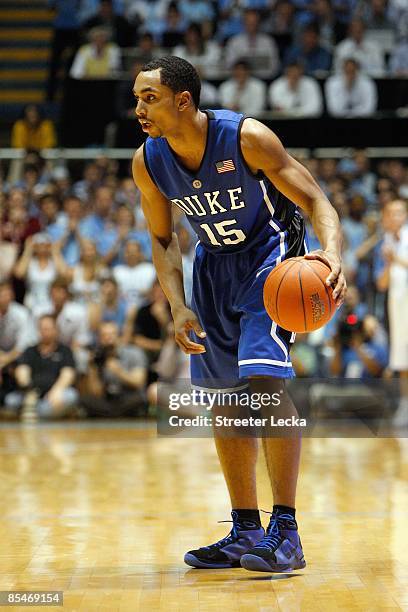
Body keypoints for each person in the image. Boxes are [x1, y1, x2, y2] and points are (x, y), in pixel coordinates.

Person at [132, 56, 346, 572]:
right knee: (225, 399)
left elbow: (316, 200)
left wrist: (333, 253)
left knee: (262, 386)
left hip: (270, 262)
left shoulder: (247, 138)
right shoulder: (147, 161)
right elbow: (163, 239)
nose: (138, 107)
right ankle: (244, 528)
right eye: (136, 97)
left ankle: (287, 532)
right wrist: (178, 304)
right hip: (211, 268)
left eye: (149, 97)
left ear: (183, 100)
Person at [5, 314, 78, 419]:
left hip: (53, 395)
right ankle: (34, 411)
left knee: (71, 396)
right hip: (31, 394)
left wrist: (57, 390)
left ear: (55, 330)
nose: (45, 332)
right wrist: (27, 388)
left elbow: (68, 373)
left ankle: (33, 413)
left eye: (48, 329)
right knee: (10, 401)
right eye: (42, 329)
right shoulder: (30, 350)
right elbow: (22, 369)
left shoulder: (65, 351)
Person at [375, 199, 408, 426]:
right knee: (403, 361)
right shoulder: (384, 244)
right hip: (398, 309)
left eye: (399, 213)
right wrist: (388, 263)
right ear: (384, 218)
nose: (394, 217)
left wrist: (395, 259)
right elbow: (381, 284)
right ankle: (405, 406)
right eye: (390, 213)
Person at [80, 321, 147, 417]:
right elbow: (96, 392)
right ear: (99, 339)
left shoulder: (134, 352)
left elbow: (138, 382)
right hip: (108, 398)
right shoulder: (98, 358)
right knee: (85, 400)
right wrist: (92, 368)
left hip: (127, 396)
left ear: (118, 336)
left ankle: (110, 414)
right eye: (104, 336)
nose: (108, 338)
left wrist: (119, 371)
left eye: (111, 335)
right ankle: (116, 414)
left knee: (140, 398)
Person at [224, 9, 280, 79]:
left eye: (254, 22)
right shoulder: (234, 42)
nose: (252, 25)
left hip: (264, 79)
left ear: (259, 23)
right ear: (243, 23)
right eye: (249, 22)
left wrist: (258, 74)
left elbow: (274, 66)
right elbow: (229, 65)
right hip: (240, 80)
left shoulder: (268, 41)